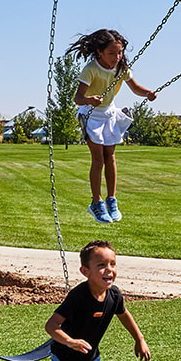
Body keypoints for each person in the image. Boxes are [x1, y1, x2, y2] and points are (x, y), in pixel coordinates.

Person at [67, 29, 156, 224]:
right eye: (112, 53)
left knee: (111, 157)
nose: (117, 57)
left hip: (108, 114)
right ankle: (96, 202)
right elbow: (78, 98)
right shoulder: (91, 69)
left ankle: (111, 200)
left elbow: (135, 88)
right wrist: (89, 99)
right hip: (91, 114)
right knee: (98, 159)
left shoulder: (121, 68)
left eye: (120, 52)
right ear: (100, 52)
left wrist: (148, 93)